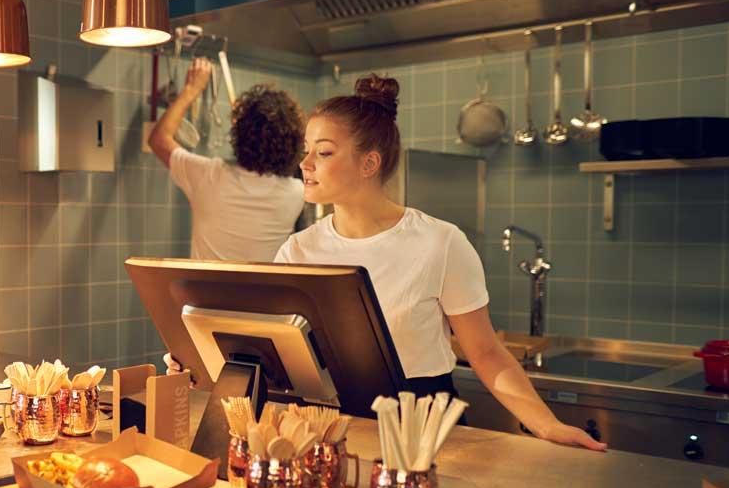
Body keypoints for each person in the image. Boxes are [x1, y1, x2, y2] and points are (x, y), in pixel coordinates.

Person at [273, 75, 605, 451]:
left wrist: (546, 425)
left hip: (424, 426)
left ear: (369, 163)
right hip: (328, 425)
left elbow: (484, 352)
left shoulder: (440, 243)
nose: (305, 163)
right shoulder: (295, 252)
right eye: (306, 150)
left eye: (324, 152)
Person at [148, 57, 306, 262]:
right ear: (293, 144)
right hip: (265, 294)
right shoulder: (296, 193)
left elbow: (158, 139)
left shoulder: (210, 175)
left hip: (204, 294)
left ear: (239, 135)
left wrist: (192, 89)